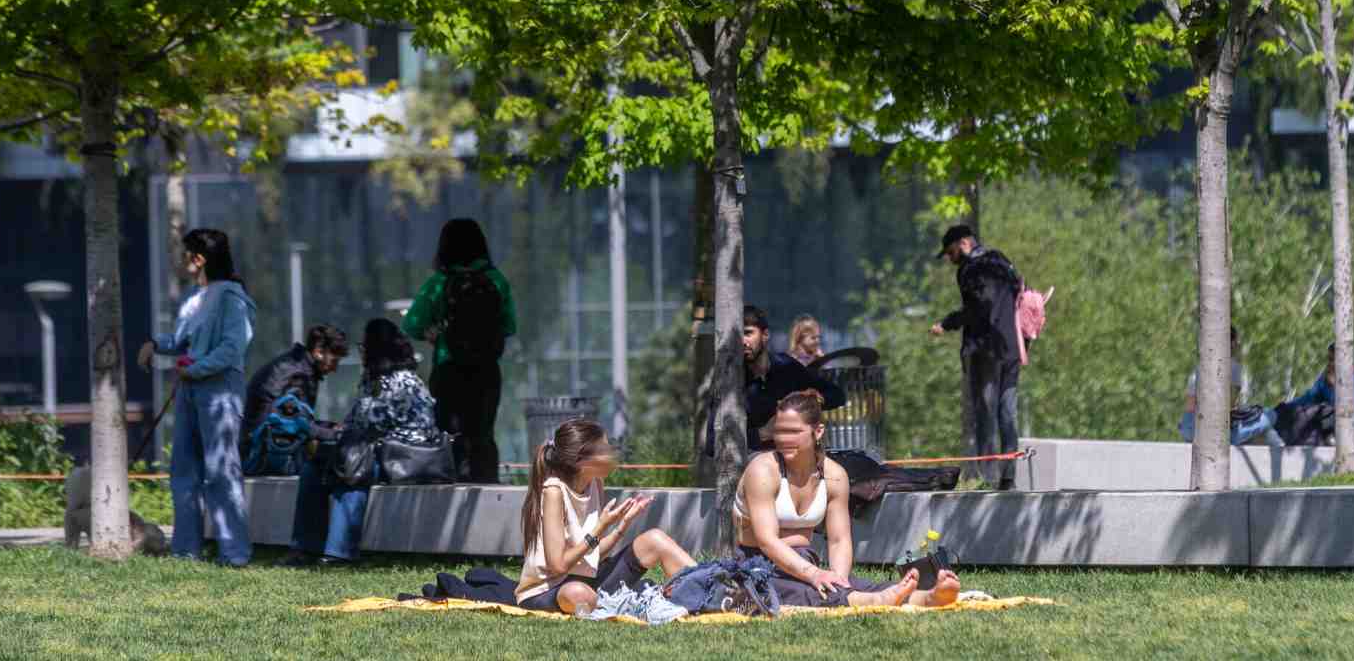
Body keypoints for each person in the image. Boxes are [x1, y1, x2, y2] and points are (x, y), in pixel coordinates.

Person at [735, 390, 960, 608]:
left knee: (854, 585)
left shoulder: (834, 476)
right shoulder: (763, 470)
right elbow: (767, 541)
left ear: (818, 431)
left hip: (803, 560)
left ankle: (929, 597)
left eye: (794, 432)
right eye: (780, 431)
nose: (783, 439)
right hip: (757, 563)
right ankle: (871, 600)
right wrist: (814, 574)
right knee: (805, 591)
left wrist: (839, 580)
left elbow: (839, 540)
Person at [137, 228, 256, 566]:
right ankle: (185, 551)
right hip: (189, 391)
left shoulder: (232, 297)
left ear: (199, 258)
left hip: (219, 393)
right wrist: (156, 345)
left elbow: (234, 348)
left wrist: (197, 368)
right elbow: (180, 339)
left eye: (185, 253)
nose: (181, 260)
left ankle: (234, 553)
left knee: (221, 472)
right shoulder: (193, 298)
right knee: (183, 471)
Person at [284, 319, 439, 566]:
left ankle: (340, 553)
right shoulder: (375, 377)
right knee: (314, 469)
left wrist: (335, 434)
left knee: (351, 470)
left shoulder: (400, 380)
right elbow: (358, 418)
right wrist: (338, 431)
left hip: (407, 457)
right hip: (380, 449)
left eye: (365, 345)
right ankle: (305, 547)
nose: (362, 351)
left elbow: (368, 421)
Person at [515, 418, 696, 613]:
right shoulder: (554, 491)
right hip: (548, 591)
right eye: (605, 449)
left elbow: (594, 556)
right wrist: (600, 527)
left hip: (589, 582)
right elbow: (558, 565)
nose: (612, 454)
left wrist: (623, 525)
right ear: (582, 460)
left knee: (655, 540)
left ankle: (707, 589)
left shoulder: (595, 484)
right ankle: (633, 601)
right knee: (578, 594)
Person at [403, 218, 516, 483]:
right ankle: (487, 488)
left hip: (448, 368)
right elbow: (509, 325)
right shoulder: (496, 280)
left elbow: (411, 324)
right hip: (487, 371)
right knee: (483, 433)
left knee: (450, 433)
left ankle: (453, 486)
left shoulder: (439, 284)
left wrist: (432, 332)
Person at [928, 224, 1025, 488]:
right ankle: (1008, 478)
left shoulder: (970, 268)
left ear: (963, 243)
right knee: (1007, 413)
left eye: (950, 252)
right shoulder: (1001, 260)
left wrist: (947, 323)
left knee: (985, 413)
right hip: (1011, 348)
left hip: (985, 350)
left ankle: (986, 478)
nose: (949, 259)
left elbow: (979, 306)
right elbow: (1019, 291)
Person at [241, 324, 350, 474]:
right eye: (334, 361)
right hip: (260, 456)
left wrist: (330, 426)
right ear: (318, 352)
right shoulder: (299, 375)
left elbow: (296, 418)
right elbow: (297, 424)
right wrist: (336, 434)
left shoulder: (298, 365)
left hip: (260, 447)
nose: (335, 369)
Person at [744, 306, 846, 450]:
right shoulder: (729, 379)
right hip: (756, 463)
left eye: (748, 333)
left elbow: (837, 395)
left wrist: (811, 400)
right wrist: (763, 433)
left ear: (765, 335)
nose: (742, 341)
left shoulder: (786, 366)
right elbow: (712, 443)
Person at [1178, 327, 1276, 446]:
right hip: (1215, 434)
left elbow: (1190, 406)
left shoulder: (1200, 366)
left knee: (1264, 432)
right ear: (1233, 343)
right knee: (1270, 414)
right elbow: (1230, 406)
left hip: (1189, 428)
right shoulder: (1233, 367)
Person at [1274, 345, 1354, 446]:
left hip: (1353, 435)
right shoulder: (1326, 377)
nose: (1330, 364)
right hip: (1328, 429)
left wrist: (1333, 387)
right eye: (1329, 359)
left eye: (1332, 359)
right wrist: (1284, 408)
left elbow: (1346, 411)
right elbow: (1308, 397)